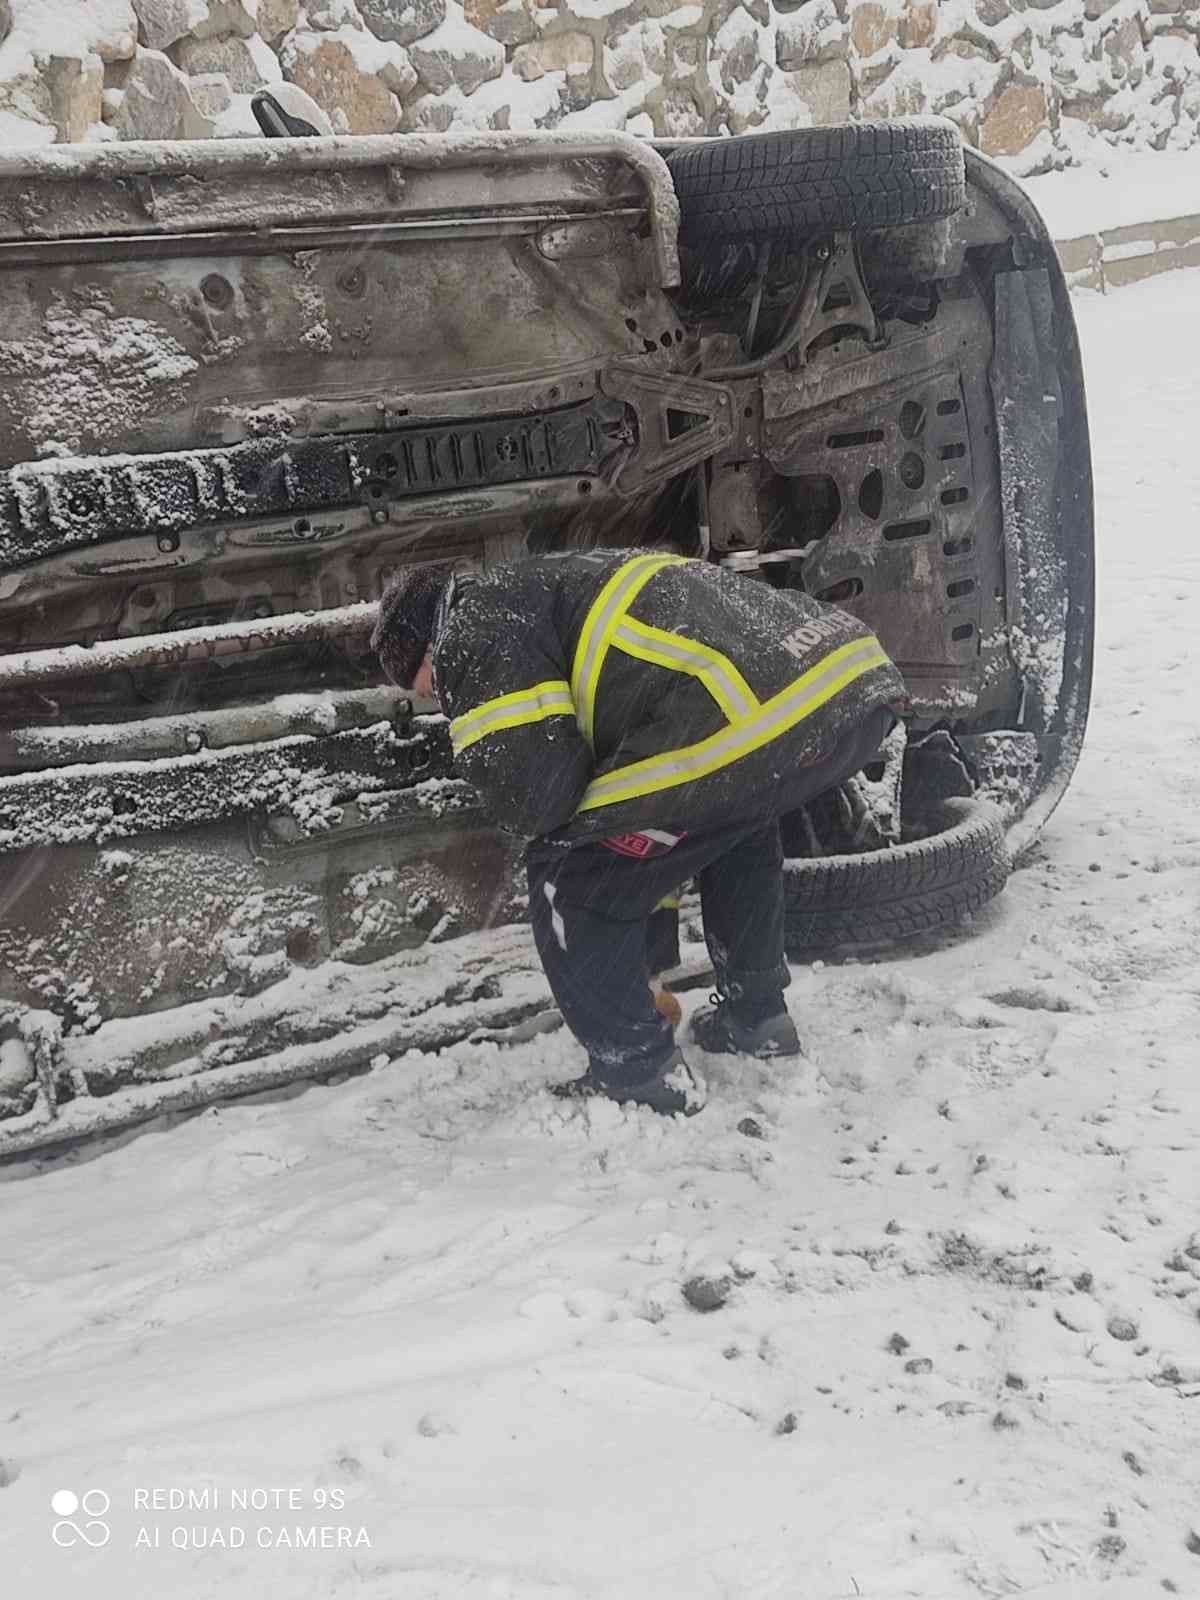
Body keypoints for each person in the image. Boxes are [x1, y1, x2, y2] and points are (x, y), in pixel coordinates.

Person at [371, 548, 906, 1117]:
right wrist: (647, 958)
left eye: (424, 687)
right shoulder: (553, 582)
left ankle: (637, 1071)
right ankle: (757, 1019)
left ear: (428, 647)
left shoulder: (474, 626)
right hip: (843, 683)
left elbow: (541, 796)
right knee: (728, 824)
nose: (436, 700)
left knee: (564, 874)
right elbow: (645, 820)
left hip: (744, 715)